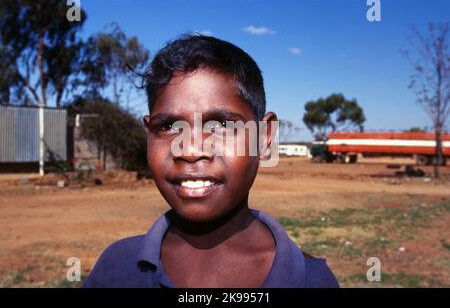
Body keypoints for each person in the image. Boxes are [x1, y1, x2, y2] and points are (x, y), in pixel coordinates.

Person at [83, 34, 339, 288]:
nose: (191, 150)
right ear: (149, 134)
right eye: (169, 126)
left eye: (220, 125)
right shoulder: (116, 268)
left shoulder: (311, 281)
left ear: (264, 138)